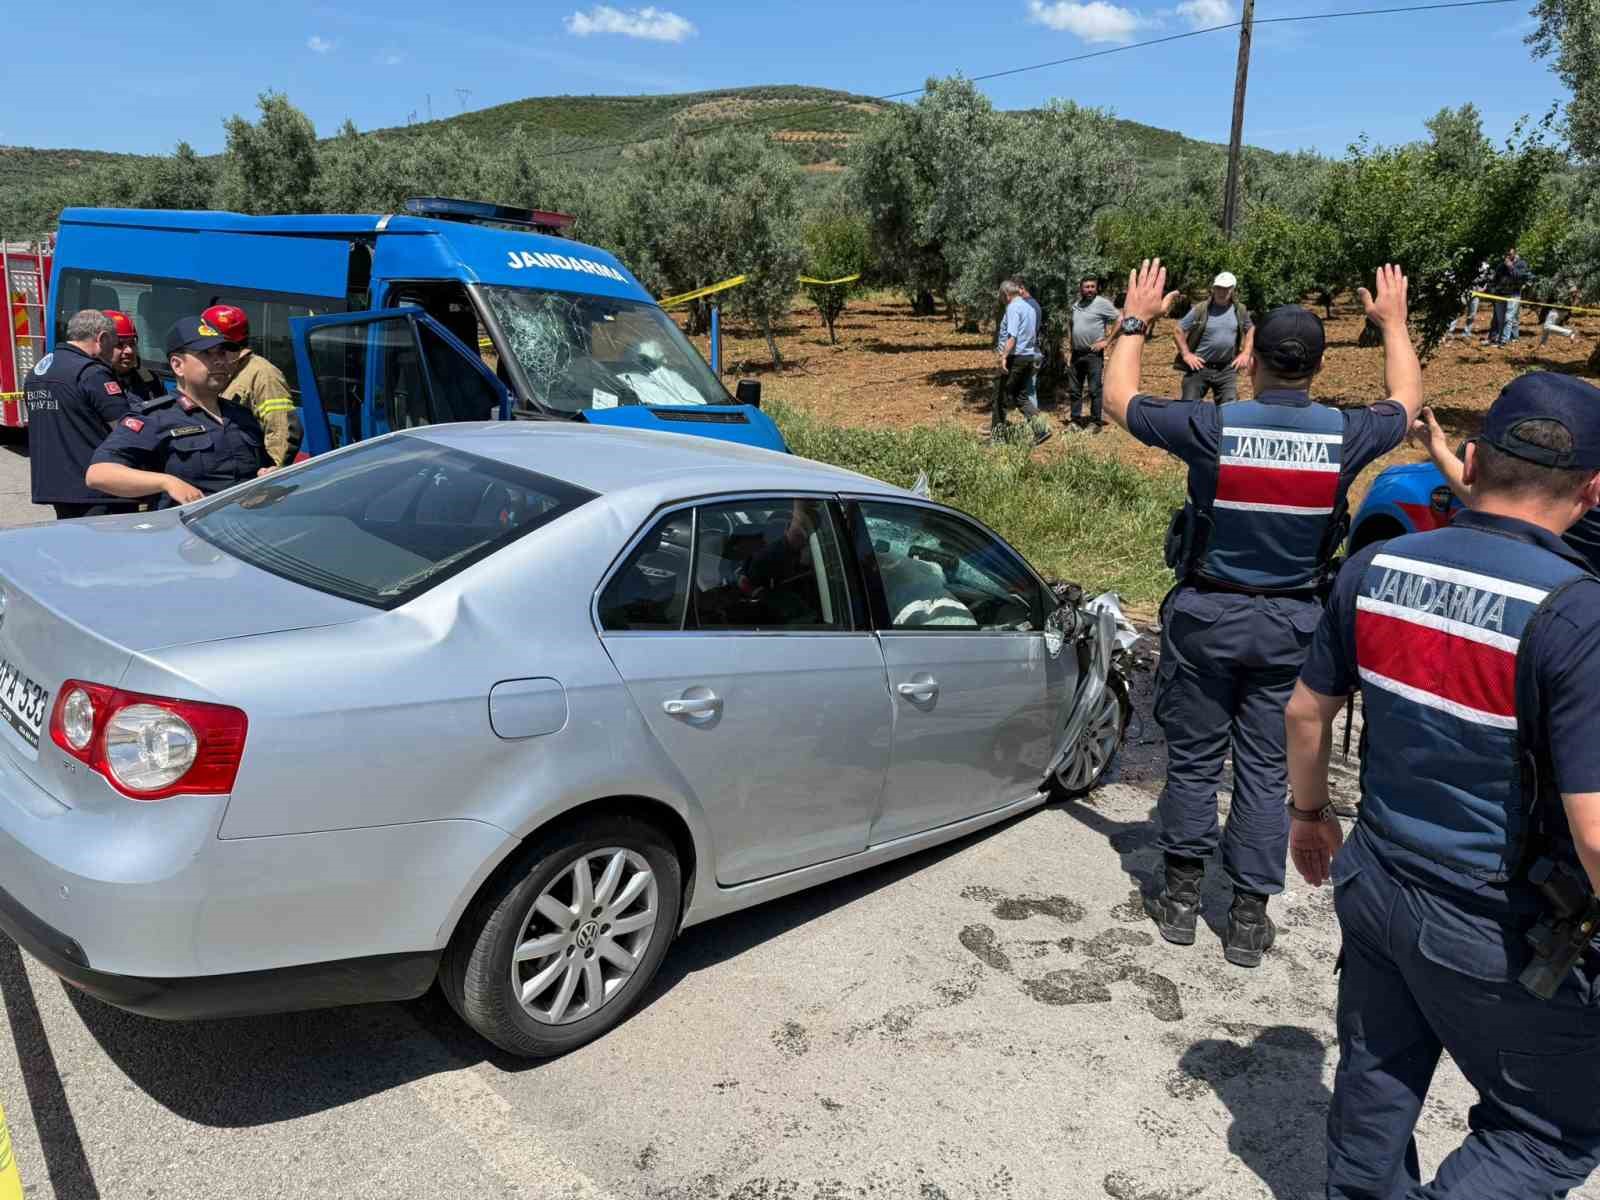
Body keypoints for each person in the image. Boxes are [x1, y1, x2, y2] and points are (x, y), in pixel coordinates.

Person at [1286, 371, 1600, 1200]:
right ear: (1593, 491)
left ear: (1469, 458)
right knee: (1549, 1135)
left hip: (1377, 879)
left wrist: (1309, 816)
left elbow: (1307, 712)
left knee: (1375, 1085)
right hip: (1494, 922)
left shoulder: (1377, 567)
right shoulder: (1577, 614)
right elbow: (1596, 833)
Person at [1102, 258, 1422, 966]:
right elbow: (1405, 398)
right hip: (1294, 628)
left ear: (1251, 362)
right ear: (1314, 365)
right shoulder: (1345, 434)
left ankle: (1181, 897)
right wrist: (1394, 324)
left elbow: (1118, 398)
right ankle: (1248, 916)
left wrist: (1134, 319)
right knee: (1266, 768)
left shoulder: (1212, 426)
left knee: (1190, 759)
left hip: (1207, 619)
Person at [86, 316, 271, 508]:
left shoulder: (241, 416)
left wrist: (269, 475)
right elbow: (99, 474)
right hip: (189, 532)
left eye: (222, 353)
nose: (219, 361)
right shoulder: (156, 417)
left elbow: (261, 468)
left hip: (247, 527)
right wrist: (166, 482)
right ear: (177, 365)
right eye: (207, 354)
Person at [1411, 400, 1600, 576]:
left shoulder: (1391, 552)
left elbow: (1498, 507)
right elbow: (1500, 507)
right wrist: (1437, 449)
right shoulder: (1576, 509)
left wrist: (1438, 450)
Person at [24, 308, 141, 520]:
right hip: (99, 491)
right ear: (102, 338)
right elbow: (126, 430)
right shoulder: (92, 373)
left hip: (57, 486)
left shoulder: (38, 371)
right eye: (114, 343)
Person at [201, 303, 301, 467]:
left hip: (250, 471)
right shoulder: (224, 366)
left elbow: (282, 427)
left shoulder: (264, 374)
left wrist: (273, 471)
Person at [1173, 272, 1255, 404]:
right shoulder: (1201, 309)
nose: (1222, 292)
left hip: (1227, 368)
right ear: (1213, 288)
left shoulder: (1240, 310)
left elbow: (1250, 329)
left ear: (1233, 289)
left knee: (1229, 408)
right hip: (1199, 367)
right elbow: (1178, 330)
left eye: (1226, 288)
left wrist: (1246, 353)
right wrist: (1186, 354)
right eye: (1219, 288)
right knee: (1188, 405)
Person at [992, 280, 1050, 446]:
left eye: (1001, 296)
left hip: (1015, 357)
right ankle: (1042, 429)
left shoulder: (1013, 308)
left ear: (1006, 294)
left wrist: (1003, 357)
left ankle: (997, 438)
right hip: (1028, 356)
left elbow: (1012, 336)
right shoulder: (1029, 307)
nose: (1001, 299)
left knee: (1000, 396)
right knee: (1021, 396)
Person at [1067, 276, 1120, 431]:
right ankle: (1075, 421)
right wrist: (1071, 344)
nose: (1089, 289)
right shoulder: (1077, 305)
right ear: (1081, 289)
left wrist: (1107, 341)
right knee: (1075, 389)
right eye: (1086, 287)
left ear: (1096, 288)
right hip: (1077, 353)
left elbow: (1120, 318)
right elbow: (1071, 324)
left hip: (1093, 354)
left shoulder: (1102, 303)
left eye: (1092, 286)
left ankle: (1095, 422)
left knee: (1094, 389)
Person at [103, 310, 167, 405]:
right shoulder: (95, 383)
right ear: (101, 346)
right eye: (119, 345)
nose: (129, 351)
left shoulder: (151, 379)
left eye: (132, 343)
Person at [1486, 248, 1532, 346]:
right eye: (1506, 254)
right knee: (1500, 319)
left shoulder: (1521, 264)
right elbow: (1495, 279)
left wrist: (1510, 266)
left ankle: (1504, 340)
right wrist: (1493, 290)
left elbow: (1519, 276)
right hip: (1501, 295)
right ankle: (1499, 339)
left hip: (1513, 294)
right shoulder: (1501, 266)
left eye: (1510, 254)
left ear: (1515, 254)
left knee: (1508, 318)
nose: (1507, 256)